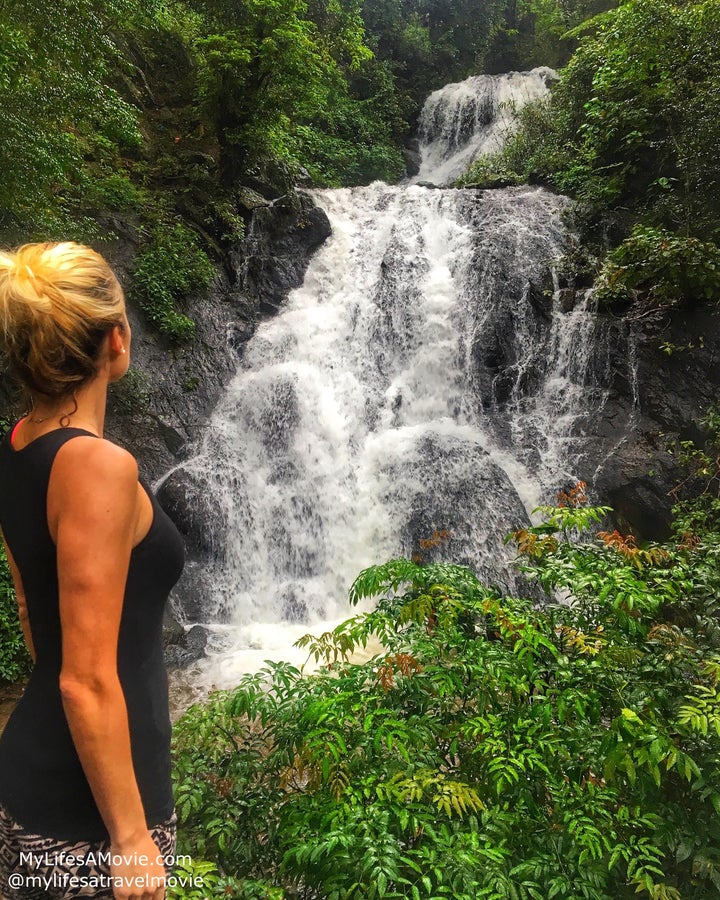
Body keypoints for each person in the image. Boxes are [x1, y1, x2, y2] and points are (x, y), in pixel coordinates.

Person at [0, 242, 185, 900]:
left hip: (37, 777)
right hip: (92, 820)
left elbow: (32, 619)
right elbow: (83, 682)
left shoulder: (19, 443)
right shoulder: (96, 469)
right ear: (116, 338)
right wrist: (132, 840)